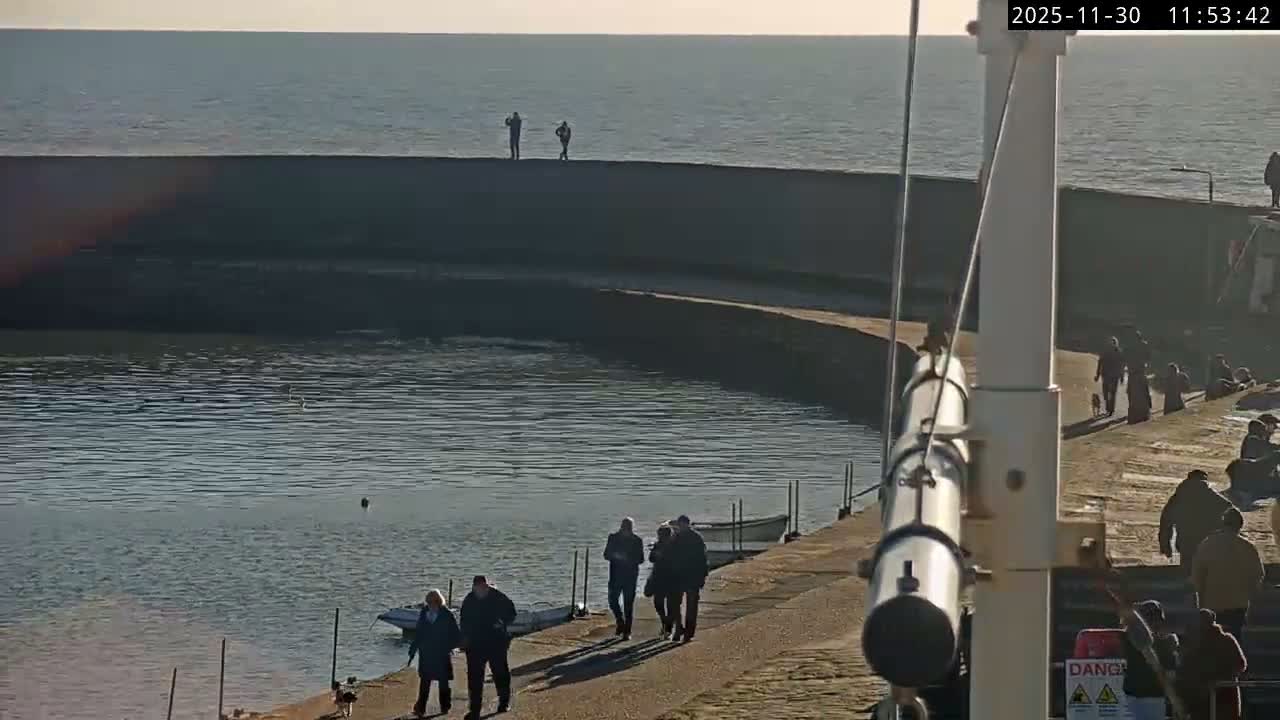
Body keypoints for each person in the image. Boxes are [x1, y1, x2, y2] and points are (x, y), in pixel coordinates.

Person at [1192, 508, 1264, 642]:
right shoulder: (1247, 546)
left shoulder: (1207, 544)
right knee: (1234, 639)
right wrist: (1249, 596)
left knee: (1212, 639)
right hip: (1238, 604)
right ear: (1240, 525)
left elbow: (1197, 575)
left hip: (1212, 603)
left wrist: (1200, 600)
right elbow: (1257, 575)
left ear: (1223, 523)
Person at [459, 575, 516, 718]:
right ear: (473, 587)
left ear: (486, 586)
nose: (480, 590)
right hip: (475, 644)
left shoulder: (498, 596)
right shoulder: (469, 599)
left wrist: (502, 622)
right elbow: (463, 621)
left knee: (500, 673)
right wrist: (463, 639)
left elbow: (512, 612)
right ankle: (475, 710)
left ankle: (504, 702)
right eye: (477, 588)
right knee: (474, 679)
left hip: (496, 642)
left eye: (482, 587)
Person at [1176, 609, 1247, 720]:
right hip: (1210, 700)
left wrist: (1218, 681)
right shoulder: (1195, 643)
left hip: (1220, 699)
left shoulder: (1224, 640)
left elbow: (1240, 665)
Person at [1159, 470, 1233, 574]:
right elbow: (1230, 512)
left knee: (1188, 573)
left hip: (1186, 543)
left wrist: (1166, 547)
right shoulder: (1211, 495)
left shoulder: (1178, 498)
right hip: (1208, 543)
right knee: (1208, 574)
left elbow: (1166, 523)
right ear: (1204, 480)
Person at [1122, 600, 1180, 720]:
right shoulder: (1166, 642)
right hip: (1154, 697)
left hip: (1132, 696)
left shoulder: (1128, 638)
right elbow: (1171, 675)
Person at [408, 589, 461, 717]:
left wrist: (448, 647)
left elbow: (456, 634)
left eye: (433, 602)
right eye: (429, 602)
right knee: (425, 682)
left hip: (441, 654)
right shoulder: (424, 613)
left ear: (438, 602)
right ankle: (420, 708)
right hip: (426, 653)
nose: (431, 605)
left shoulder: (446, 615)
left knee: (443, 682)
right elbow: (419, 633)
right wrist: (413, 649)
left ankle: (445, 706)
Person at [667, 515, 708, 643]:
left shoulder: (695, 538)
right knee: (676, 604)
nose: (680, 527)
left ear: (687, 524)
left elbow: (702, 559)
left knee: (690, 606)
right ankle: (680, 629)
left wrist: (702, 576)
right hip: (679, 576)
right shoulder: (677, 537)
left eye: (682, 524)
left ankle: (688, 633)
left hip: (691, 577)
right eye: (679, 525)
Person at [603, 516, 645, 640]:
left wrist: (629, 559)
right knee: (612, 600)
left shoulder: (637, 540)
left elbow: (641, 559)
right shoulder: (613, 538)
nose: (627, 529)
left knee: (628, 604)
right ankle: (620, 620)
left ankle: (627, 631)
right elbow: (606, 555)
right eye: (625, 527)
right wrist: (617, 556)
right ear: (621, 527)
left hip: (630, 577)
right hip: (615, 575)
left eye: (629, 527)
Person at [646, 524, 677, 637]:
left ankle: (668, 627)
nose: (659, 537)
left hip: (672, 578)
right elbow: (651, 559)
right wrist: (655, 553)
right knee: (658, 603)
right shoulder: (657, 545)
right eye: (659, 535)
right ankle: (665, 622)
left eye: (661, 535)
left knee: (671, 605)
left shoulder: (675, 546)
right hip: (658, 578)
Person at [1095, 336, 1126, 416]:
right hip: (1109, 375)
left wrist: (1097, 375)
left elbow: (1121, 365)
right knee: (1109, 393)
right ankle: (1110, 408)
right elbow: (1100, 363)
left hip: (1110, 375)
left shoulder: (1115, 352)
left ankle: (1110, 409)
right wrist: (1122, 376)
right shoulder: (1114, 352)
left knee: (1110, 392)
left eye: (1113, 343)